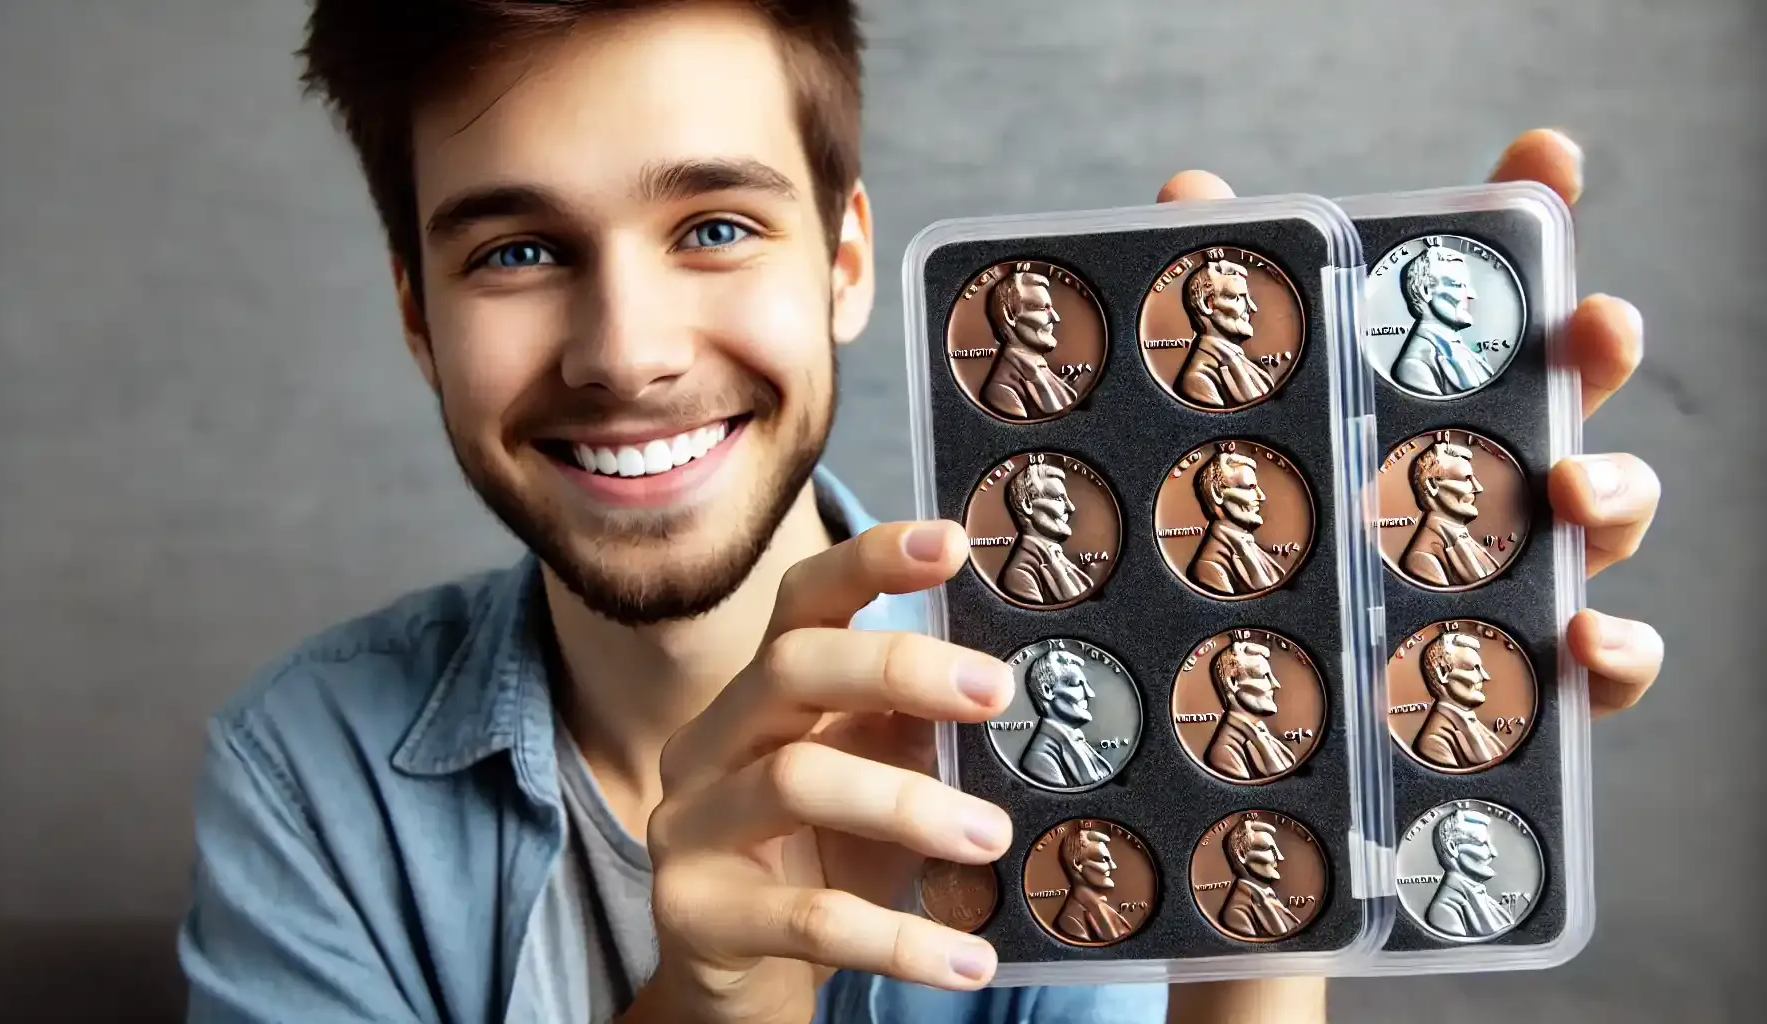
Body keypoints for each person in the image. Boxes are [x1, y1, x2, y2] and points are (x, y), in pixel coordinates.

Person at [172, 0, 1665, 1020]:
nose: (626, 348)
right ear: (418, 316)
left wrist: (1286, 823)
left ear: (843, 259)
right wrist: (716, 998)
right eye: (513, 253)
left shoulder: (1075, 715)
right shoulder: (311, 777)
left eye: (713, 226)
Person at [1392, 244, 1497, 396]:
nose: (1472, 295)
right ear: (1426, 290)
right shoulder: (1415, 366)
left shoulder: (1473, 356)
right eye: (1458, 285)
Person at [1400, 439, 1503, 587]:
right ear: (1432, 484)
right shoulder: (1422, 558)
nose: (1478, 487)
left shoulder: (1467, 541)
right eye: (1466, 478)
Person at [1176, 259, 1277, 408]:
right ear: (1206, 304)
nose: (1253, 308)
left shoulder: (1246, 364)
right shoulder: (1198, 379)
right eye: (1236, 297)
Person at [979, 269, 1078, 419]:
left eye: (1051, 308)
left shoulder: (1043, 370)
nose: (1056, 318)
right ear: (1009, 314)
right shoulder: (1001, 390)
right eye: (1042, 308)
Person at [1188, 451, 1285, 596]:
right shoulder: (1210, 567)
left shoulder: (1255, 550)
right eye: (1249, 487)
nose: (1261, 497)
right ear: (1217, 493)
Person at [996, 461, 1093, 605]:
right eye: (1058, 498)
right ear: (1027, 505)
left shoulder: (1061, 560)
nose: (1071, 508)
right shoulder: (1020, 574)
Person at [1016, 649, 1114, 788]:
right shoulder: (1040, 758)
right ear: (1047, 691)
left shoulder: (1077, 743)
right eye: (1076, 683)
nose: (1090, 694)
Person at [1203, 640, 1299, 781]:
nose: (1275, 684)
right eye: (1262, 676)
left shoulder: (1266, 737)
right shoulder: (1225, 752)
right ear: (1233, 683)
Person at [1413, 632, 1508, 770]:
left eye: (1481, 668)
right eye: (1473, 668)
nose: (1485, 676)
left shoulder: (1478, 726)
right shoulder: (1434, 741)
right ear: (1442, 674)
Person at [1423, 808, 1516, 939]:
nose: (1494, 853)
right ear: (1452, 847)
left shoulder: (1487, 900)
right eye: (1481, 844)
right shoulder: (1444, 910)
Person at [1218, 819, 1303, 939]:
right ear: (1242, 854)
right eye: (1268, 849)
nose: (1280, 857)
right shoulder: (1237, 913)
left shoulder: (1268, 898)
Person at [1053, 827, 1134, 944]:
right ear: (1077, 864)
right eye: (1104, 859)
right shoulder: (1070, 921)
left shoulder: (1106, 910)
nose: (1113, 866)